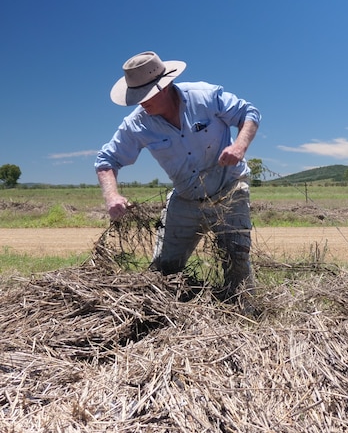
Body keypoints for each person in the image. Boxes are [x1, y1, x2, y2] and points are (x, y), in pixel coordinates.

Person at [95, 51, 261, 302]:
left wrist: (239, 146)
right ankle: (166, 322)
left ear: (165, 86)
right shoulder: (137, 124)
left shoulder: (204, 96)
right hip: (186, 199)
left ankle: (246, 318)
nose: (141, 103)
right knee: (164, 271)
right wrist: (112, 196)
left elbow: (249, 113)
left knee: (237, 265)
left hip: (229, 191)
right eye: (136, 96)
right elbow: (106, 160)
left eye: (145, 95)